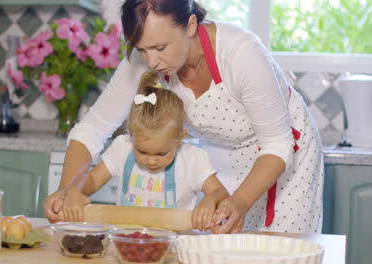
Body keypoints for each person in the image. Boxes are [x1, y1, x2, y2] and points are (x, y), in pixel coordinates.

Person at [44, 0, 324, 234]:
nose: (151, 62)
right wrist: (67, 190)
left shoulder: (241, 54)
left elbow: (277, 144)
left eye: (160, 48)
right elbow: (93, 128)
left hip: (284, 158)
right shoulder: (146, 59)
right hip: (222, 159)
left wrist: (238, 202)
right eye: (142, 49)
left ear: (190, 25)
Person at [57, 70, 230, 232]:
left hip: (174, 246)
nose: (152, 161)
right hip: (125, 242)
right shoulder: (123, 149)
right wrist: (74, 190)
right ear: (130, 136)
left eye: (162, 153)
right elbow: (92, 179)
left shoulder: (192, 159)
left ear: (180, 137)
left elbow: (220, 192)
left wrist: (210, 200)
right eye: (142, 152)